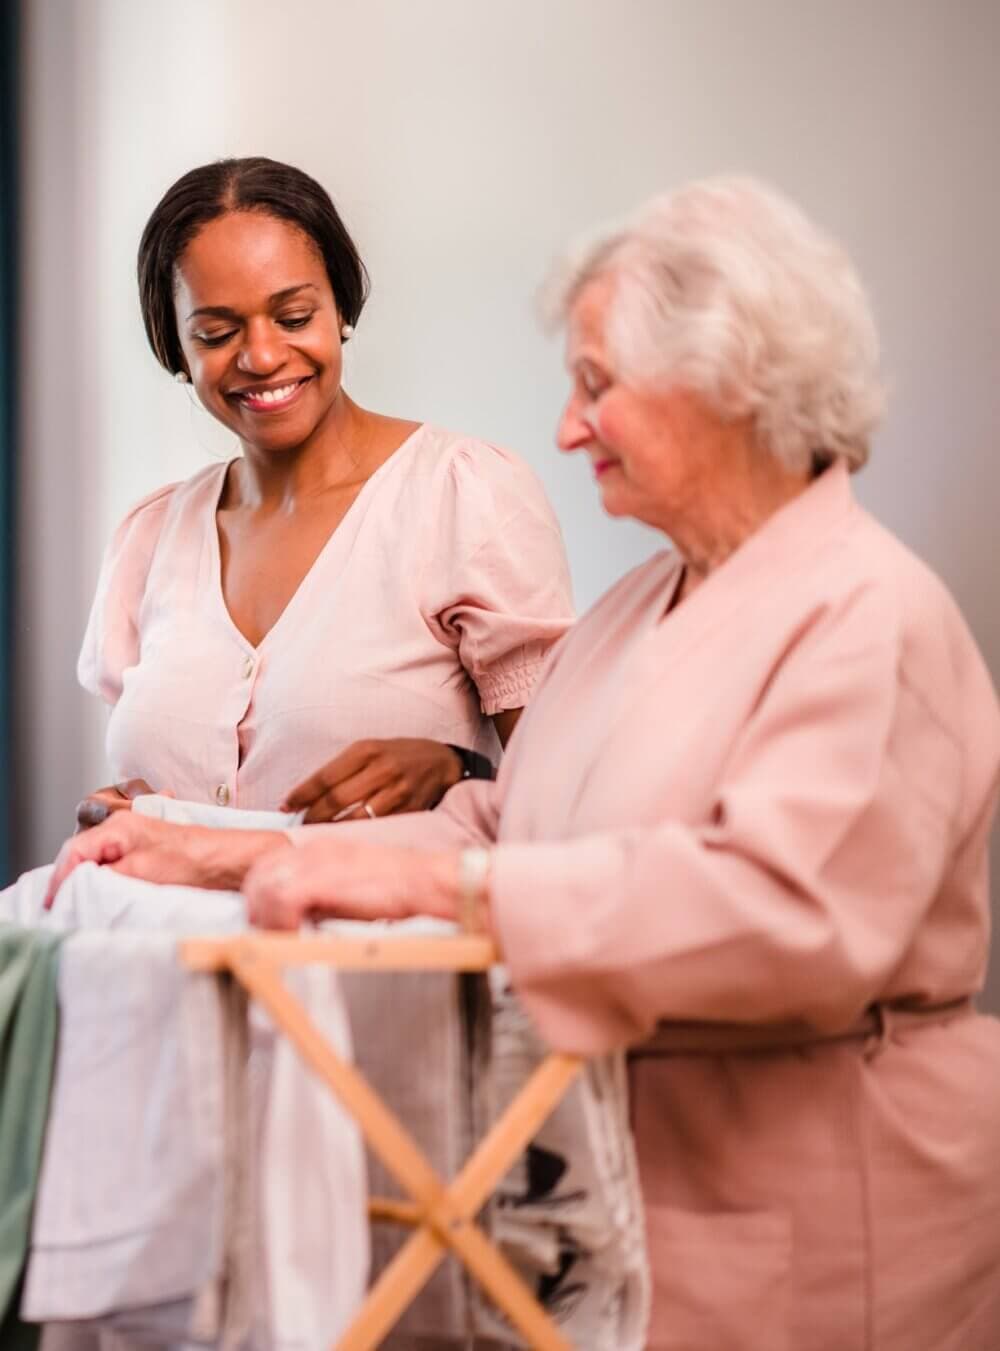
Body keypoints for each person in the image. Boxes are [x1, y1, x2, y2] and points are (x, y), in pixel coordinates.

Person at [51, 177, 1000, 1349]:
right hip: (621, 1203)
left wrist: (437, 888)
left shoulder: (869, 613)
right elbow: (509, 823)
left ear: (732, 389)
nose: (567, 426)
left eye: (597, 386)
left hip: (820, 1217)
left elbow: (784, 915)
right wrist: (205, 851)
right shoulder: (646, 602)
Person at [76, 156, 573, 831]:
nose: (261, 355)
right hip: (168, 934)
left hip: (384, 935)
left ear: (341, 307)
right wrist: (120, 817)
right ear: (176, 348)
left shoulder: (462, 496)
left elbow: (569, 792)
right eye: (216, 334)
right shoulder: (150, 537)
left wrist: (460, 768)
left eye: (293, 315)